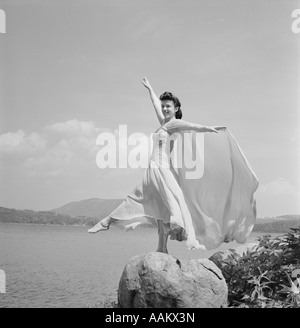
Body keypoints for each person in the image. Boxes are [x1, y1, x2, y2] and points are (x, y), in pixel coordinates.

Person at [88, 77, 259, 253]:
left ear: (176, 109)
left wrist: (211, 128)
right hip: (153, 169)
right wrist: (150, 89)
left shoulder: (174, 124)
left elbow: (194, 126)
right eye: (164, 106)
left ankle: (111, 223)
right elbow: (155, 103)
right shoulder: (164, 124)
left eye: (168, 106)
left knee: (172, 202)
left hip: (163, 169)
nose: (164, 108)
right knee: (150, 204)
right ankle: (158, 246)